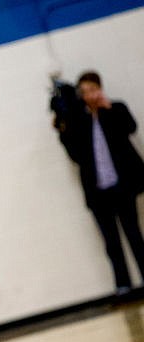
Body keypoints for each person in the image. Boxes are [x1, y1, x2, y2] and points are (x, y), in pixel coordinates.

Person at [53, 70, 144, 295]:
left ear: (100, 89)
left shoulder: (115, 109)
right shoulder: (78, 121)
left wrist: (108, 108)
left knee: (134, 235)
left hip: (121, 187)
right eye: (85, 92)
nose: (90, 95)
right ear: (81, 95)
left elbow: (131, 128)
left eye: (93, 89)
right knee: (111, 243)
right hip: (98, 192)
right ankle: (123, 286)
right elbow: (74, 154)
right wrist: (62, 127)